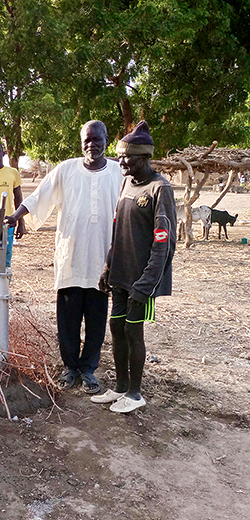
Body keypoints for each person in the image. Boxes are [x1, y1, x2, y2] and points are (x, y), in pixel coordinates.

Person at [5, 121, 121, 394]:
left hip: (103, 260)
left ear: (106, 140)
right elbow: (38, 196)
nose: (92, 144)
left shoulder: (118, 172)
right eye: (87, 140)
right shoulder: (66, 169)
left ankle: (89, 368)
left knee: (96, 317)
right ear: (81, 142)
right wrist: (15, 216)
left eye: (97, 139)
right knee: (67, 318)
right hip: (71, 257)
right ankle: (70, 367)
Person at [95, 121, 176, 413]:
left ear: (143, 157)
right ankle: (119, 387)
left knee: (133, 332)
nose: (121, 161)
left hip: (142, 280)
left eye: (127, 156)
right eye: (120, 155)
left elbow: (163, 243)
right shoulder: (127, 183)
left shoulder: (160, 189)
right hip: (120, 273)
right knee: (116, 326)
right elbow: (118, 230)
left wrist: (147, 284)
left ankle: (135, 393)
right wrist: (107, 266)